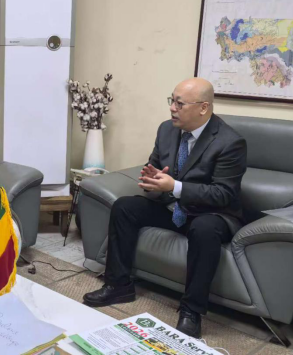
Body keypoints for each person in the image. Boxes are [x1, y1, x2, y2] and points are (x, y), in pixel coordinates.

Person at [82, 78, 247, 338]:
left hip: (211, 213)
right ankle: (118, 285)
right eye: (172, 100)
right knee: (125, 206)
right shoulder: (166, 130)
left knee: (204, 229)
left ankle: (191, 311)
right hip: (174, 206)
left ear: (203, 108)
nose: (172, 108)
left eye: (180, 104)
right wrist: (152, 180)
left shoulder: (229, 142)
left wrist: (175, 186)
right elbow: (156, 167)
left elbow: (223, 194)